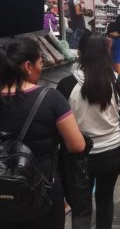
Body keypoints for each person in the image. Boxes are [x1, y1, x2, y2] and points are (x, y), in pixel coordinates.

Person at [56, 34, 120, 229]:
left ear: (80, 54)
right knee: (105, 201)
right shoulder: (118, 83)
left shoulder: (66, 85)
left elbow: (58, 128)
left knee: (81, 208)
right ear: (107, 54)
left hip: (77, 156)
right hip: (111, 153)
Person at [0, 38, 86, 229]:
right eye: (40, 63)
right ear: (28, 66)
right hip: (40, 190)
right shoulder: (50, 98)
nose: (41, 68)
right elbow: (77, 145)